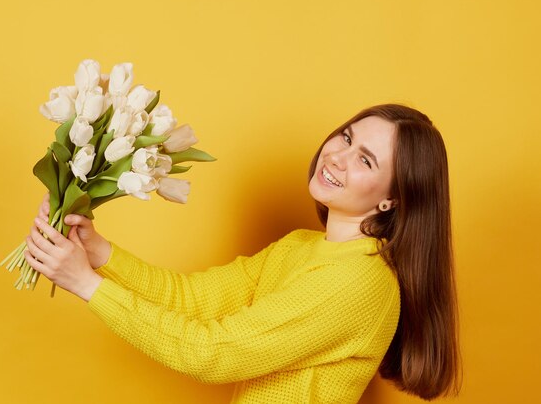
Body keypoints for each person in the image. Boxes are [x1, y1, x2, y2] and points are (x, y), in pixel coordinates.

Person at [24, 103, 460, 403]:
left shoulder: (359, 281)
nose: (337, 157)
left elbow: (212, 352)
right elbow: (192, 299)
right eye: (345, 138)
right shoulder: (302, 247)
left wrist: (86, 284)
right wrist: (98, 252)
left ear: (393, 199)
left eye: (366, 160)